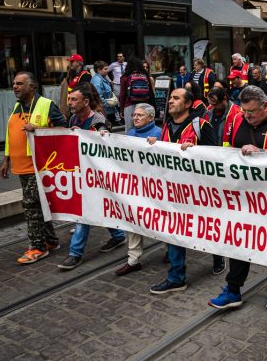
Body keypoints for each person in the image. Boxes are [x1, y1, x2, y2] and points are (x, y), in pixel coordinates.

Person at [208, 85, 267, 310]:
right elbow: (228, 150)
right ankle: (233, 289)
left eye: (252, 112)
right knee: (239, 239)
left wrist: (262, 153)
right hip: (245, 195)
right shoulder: (239, 119)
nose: (247, 116)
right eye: (244, 112)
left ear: (266, 106)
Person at [146, 88, 218, 292]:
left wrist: (196, 152)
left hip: (198, 191)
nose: (170, 101)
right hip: (173, 191)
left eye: (176, 98)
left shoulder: (201, 125)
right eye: (171, 98)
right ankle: (177, 276)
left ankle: (218, 255)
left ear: (188, 104)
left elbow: (214, 157)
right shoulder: (167, 125)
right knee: (173, 230)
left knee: (205, 228)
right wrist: (156, 144)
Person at [0, 71, 67, 264]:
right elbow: (10, 135)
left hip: (39, 167)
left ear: (32, 87)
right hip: (21, 167)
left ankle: (38, 247)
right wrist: (6, 159)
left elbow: (64, 130)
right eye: (14, 83)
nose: (15, 87)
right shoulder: (16, 107)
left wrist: (38, 129)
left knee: (30, 205)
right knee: (38, 205)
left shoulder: (46, 105)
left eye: (20, 84)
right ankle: (51, 240)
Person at [58, 84, 125, 270]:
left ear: (86, 102)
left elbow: (104, 147)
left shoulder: (98, 120)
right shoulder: (73, 119)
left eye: (74, 99)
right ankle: (118, 236)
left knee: (84, 214)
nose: (69, 103)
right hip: (81, 173)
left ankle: (75, 253)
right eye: (69, 99)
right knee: (97, 207)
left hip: (97, 175)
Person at [114, 103, 163, 276]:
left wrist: (158, 145)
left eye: (140, 115)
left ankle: (170, 250)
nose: (135, 118)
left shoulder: (159, 133)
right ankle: (133, 260)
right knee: (133, 221)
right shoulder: (130, 133)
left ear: (150, 117)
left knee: (161, 221)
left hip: (156, 188)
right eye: (134, 115)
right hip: (136, 187)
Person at [119, 57, 154, 133]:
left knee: (130, 129)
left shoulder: (125, 77)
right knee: (144, 128)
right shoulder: (145, 75)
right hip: (144, 105)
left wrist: (121, 109)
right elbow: (150, 92)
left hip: (129, 105)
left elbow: (122, 95)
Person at [91, 61, 118, 125]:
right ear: (98, 70)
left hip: (108, 109)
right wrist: (108, 105)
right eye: (105, 69)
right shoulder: (97, 80)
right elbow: (99, 97)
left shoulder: (102, 78)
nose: (107, 70)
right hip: (105, 111)